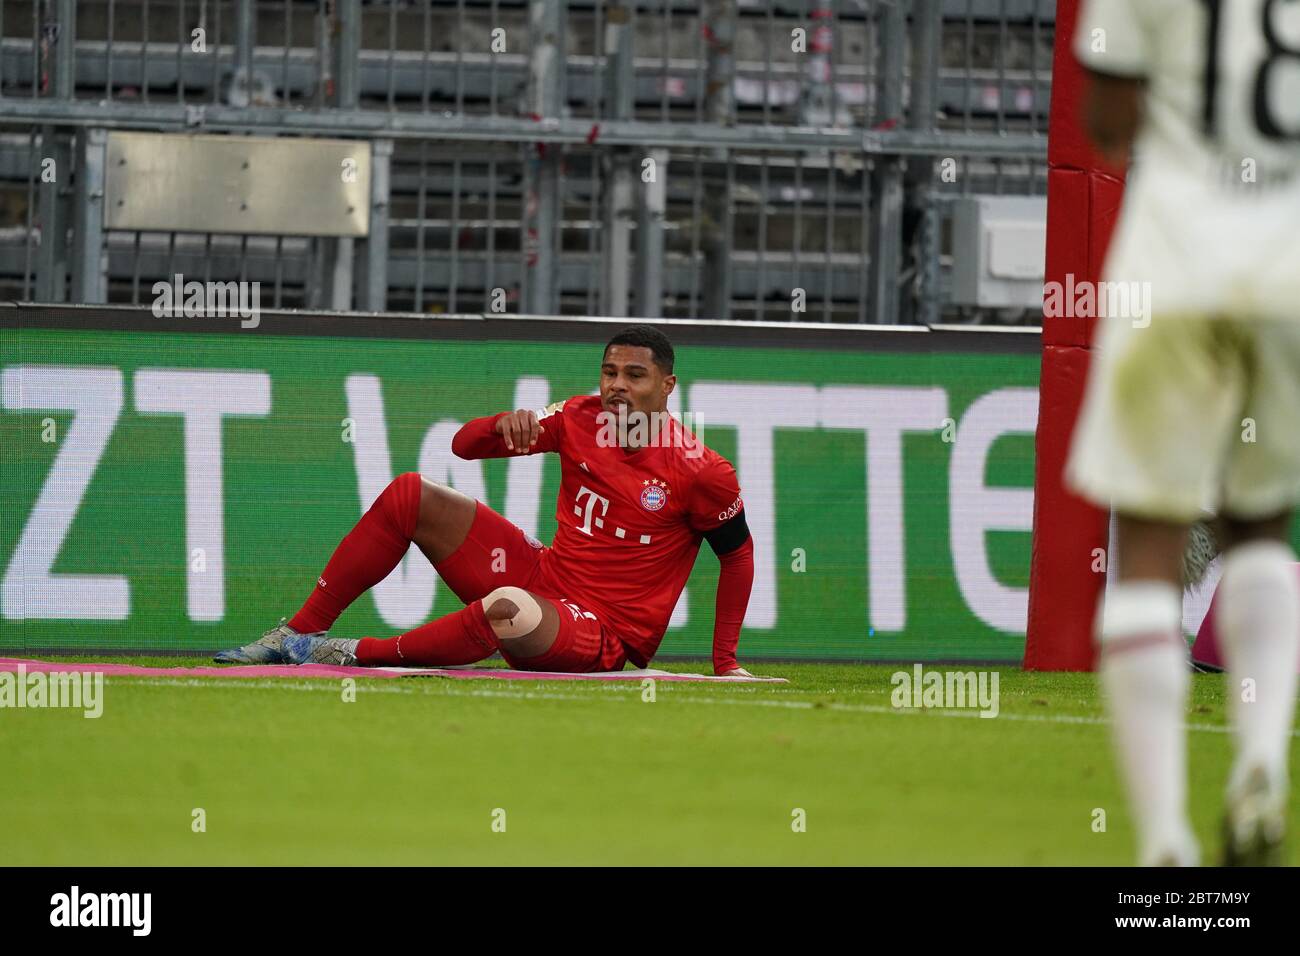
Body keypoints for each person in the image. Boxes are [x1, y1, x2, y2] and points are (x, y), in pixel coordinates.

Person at [1067, 0, 1300, 864]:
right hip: (1288, 271)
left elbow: (1105, 118)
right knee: (1260, 525)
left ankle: (1165, 835)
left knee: (1150, 552)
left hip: (1173, 268)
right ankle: (1262, 760)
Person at [214, 324, 756, 677]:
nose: (617, 386)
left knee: (507, 609)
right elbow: (462, 446)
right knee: (410, 494)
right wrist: (500, 425)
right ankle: (300, 631)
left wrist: (725, 662)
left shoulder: (702, 471)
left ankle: (350, 653)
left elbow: (737, 557)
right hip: (546, 577)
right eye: (609, 372)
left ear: (667, 387)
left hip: (605, 633)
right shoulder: (578, 416)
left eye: (635, 375)